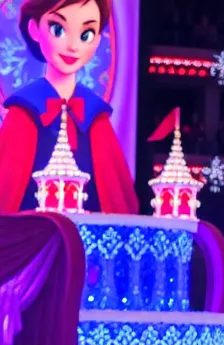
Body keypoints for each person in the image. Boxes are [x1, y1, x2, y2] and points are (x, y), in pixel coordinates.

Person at [0, 0, 138, 213]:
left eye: (87, 34)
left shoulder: (96, 117)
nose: (73, 46)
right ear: (34, 29)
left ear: (98, 39)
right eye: (58, 28)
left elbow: (118, 198)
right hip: (35, 236)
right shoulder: (23, 113)